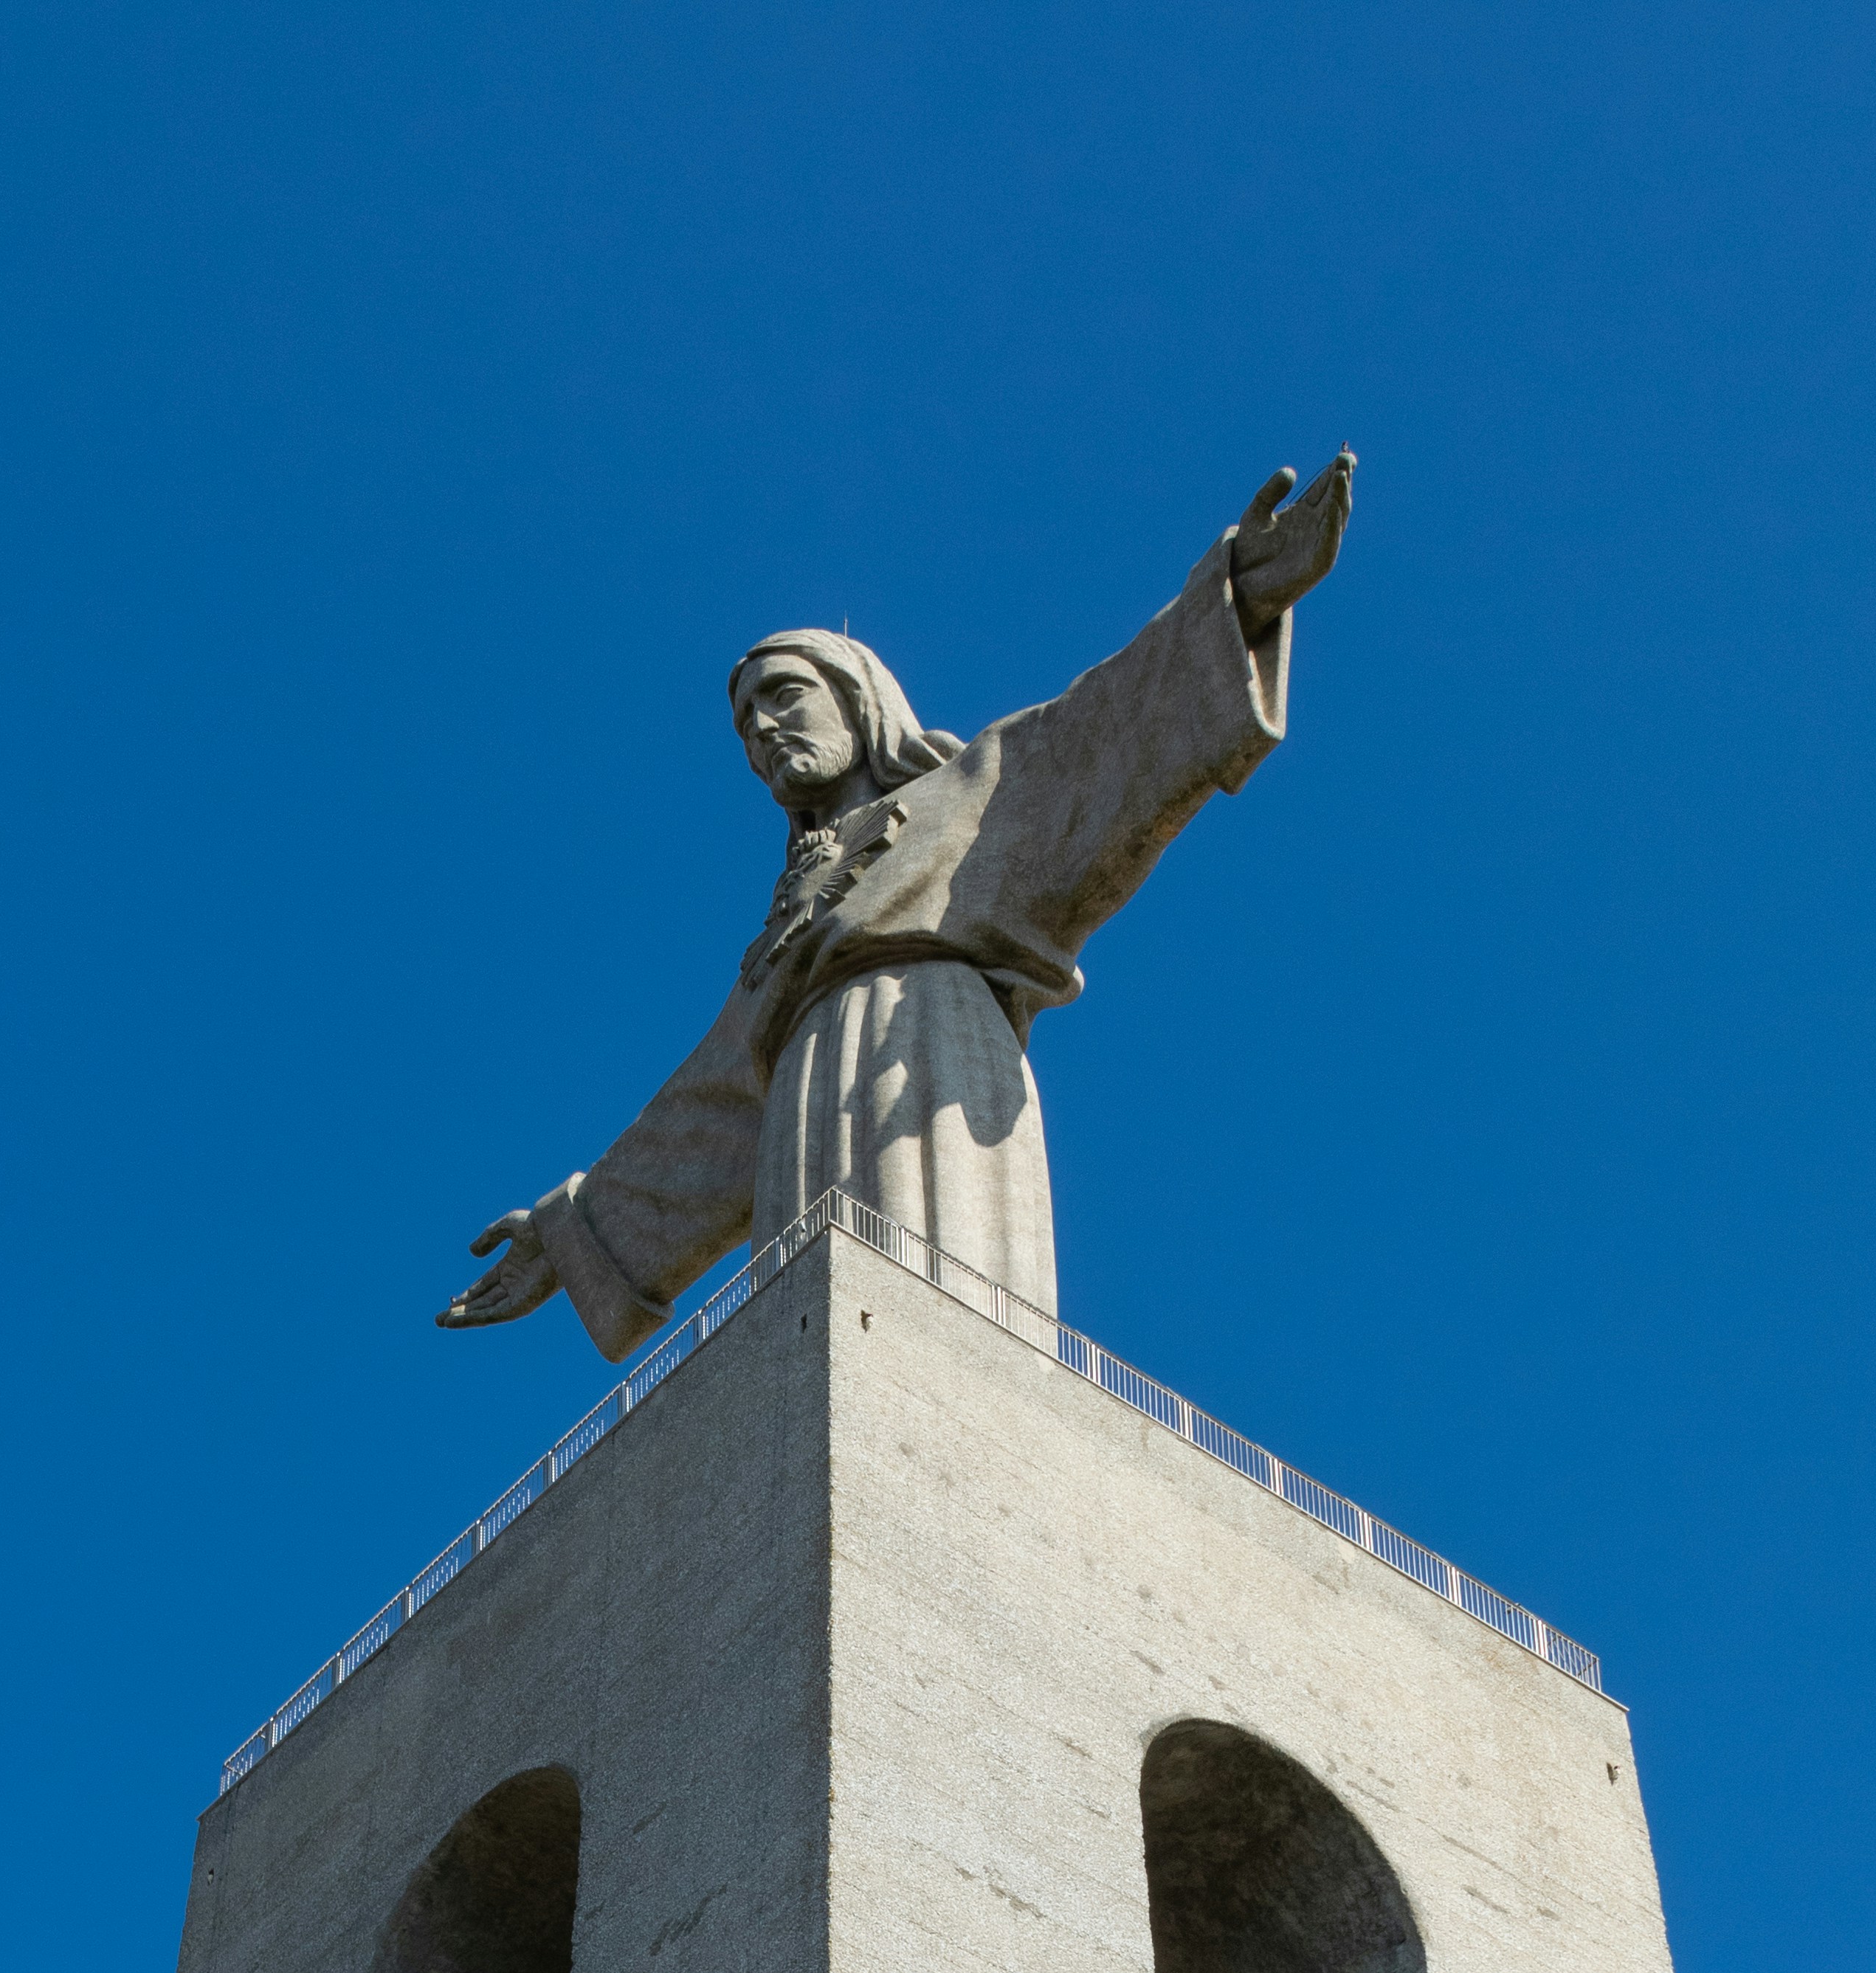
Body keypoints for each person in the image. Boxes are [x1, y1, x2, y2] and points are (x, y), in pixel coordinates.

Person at [439, 454, 1355, 1359]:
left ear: (859, 702)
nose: (761, 730)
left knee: (953, 1336)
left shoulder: (976, 793)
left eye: (783, 696)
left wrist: (1236, 599)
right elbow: (711, 1099)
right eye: (743, 724)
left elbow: (1107, 726)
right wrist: (573, 1232)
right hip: (806, 1098)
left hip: (929, 1045)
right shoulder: (786, 927)